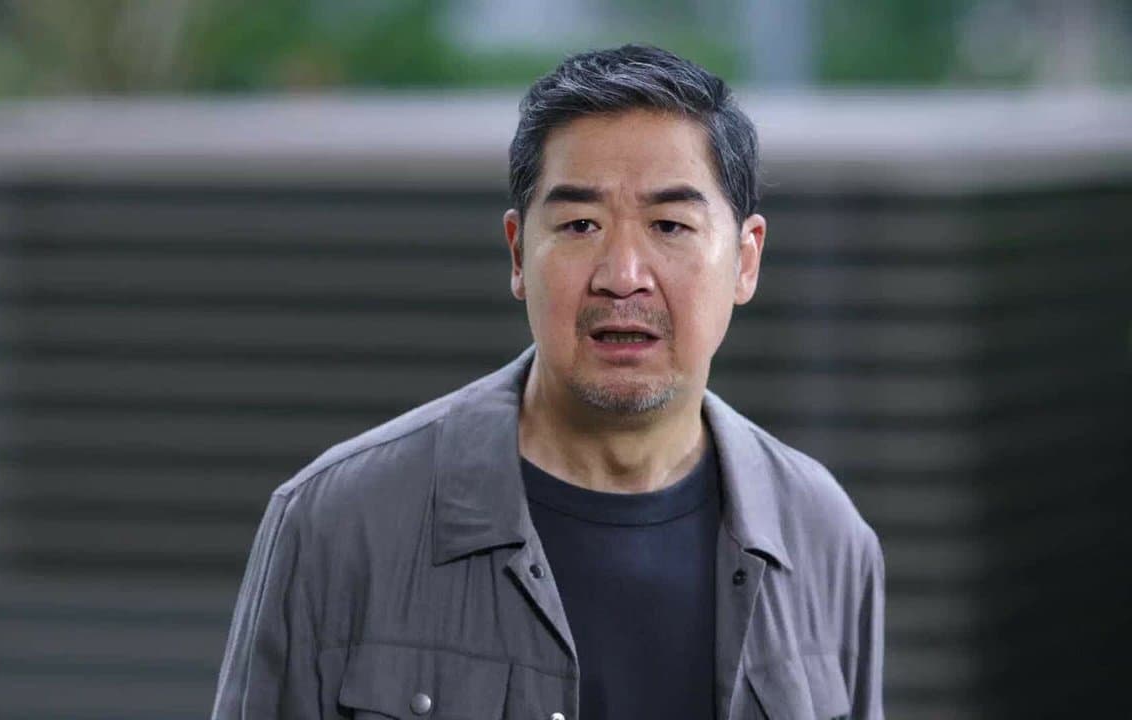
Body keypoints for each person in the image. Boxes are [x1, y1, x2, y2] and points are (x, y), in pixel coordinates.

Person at [211, 44, 884, 720]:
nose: (623, 276)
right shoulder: (336, 524)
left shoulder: (825, 538)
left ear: (745, 260)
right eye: (580, 225)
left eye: (670, 225)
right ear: (517, 253)